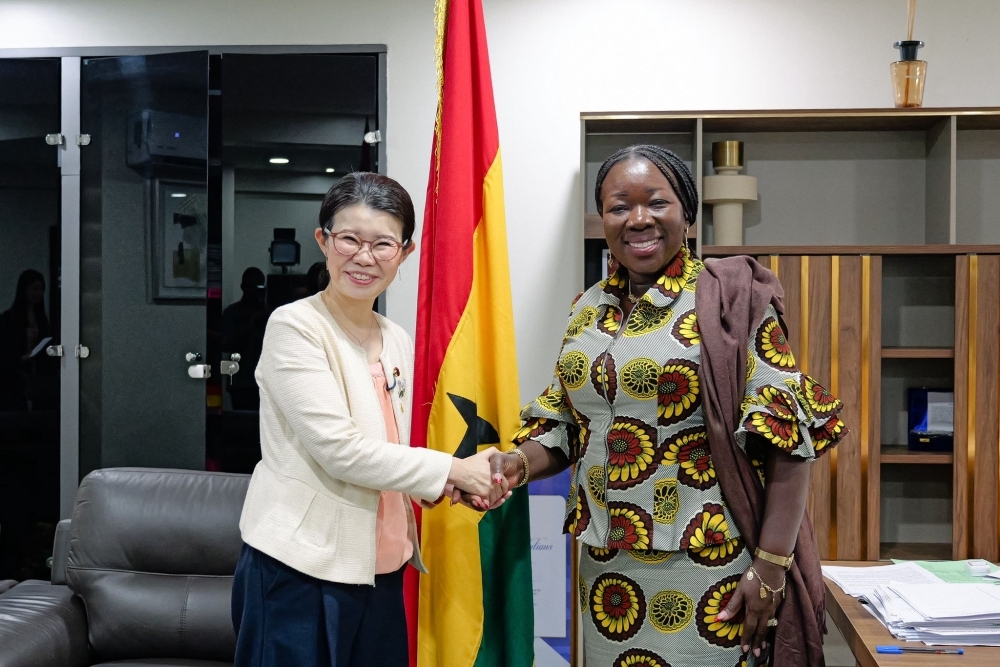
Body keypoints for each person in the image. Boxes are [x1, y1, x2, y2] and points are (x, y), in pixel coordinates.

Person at [481, 146, 846, 666]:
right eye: (618, 206)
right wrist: (514, 464)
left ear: (687, 213)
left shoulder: (727, 301)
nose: (638, 219)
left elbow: (788, 440)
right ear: (601, 219)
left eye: (656, 202)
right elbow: (565, 425)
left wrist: (769, 566)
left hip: (710, 565)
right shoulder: (587, 309)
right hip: (608, 569)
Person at [231, 172, 508, 667]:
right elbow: (341, 450)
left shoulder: (396, 338)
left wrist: (450, 484)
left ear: (405, 252)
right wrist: (452, 470)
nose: (364, 257)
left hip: (381, 566)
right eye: (349, 240)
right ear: (323, 240)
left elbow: (389, 443)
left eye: (383, 244)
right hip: (302, 567)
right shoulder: (294, 327)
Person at [0, 269, 55, 411]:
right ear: (24, 290)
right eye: (34, 289)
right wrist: (21, 358)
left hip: (39, 376)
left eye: (41, 289)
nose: (38, 294)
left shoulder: (43, 319)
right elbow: (5, 351)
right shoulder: (9, 318)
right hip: (14, 379)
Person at [221, 267, 269, 410]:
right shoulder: (232, 313)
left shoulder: (269, 313)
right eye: (251, 286)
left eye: (259, 286)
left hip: (265, 382)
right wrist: (250, 325)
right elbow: (226, 344)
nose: (254, 290)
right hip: (241, 381)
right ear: (243, 287)